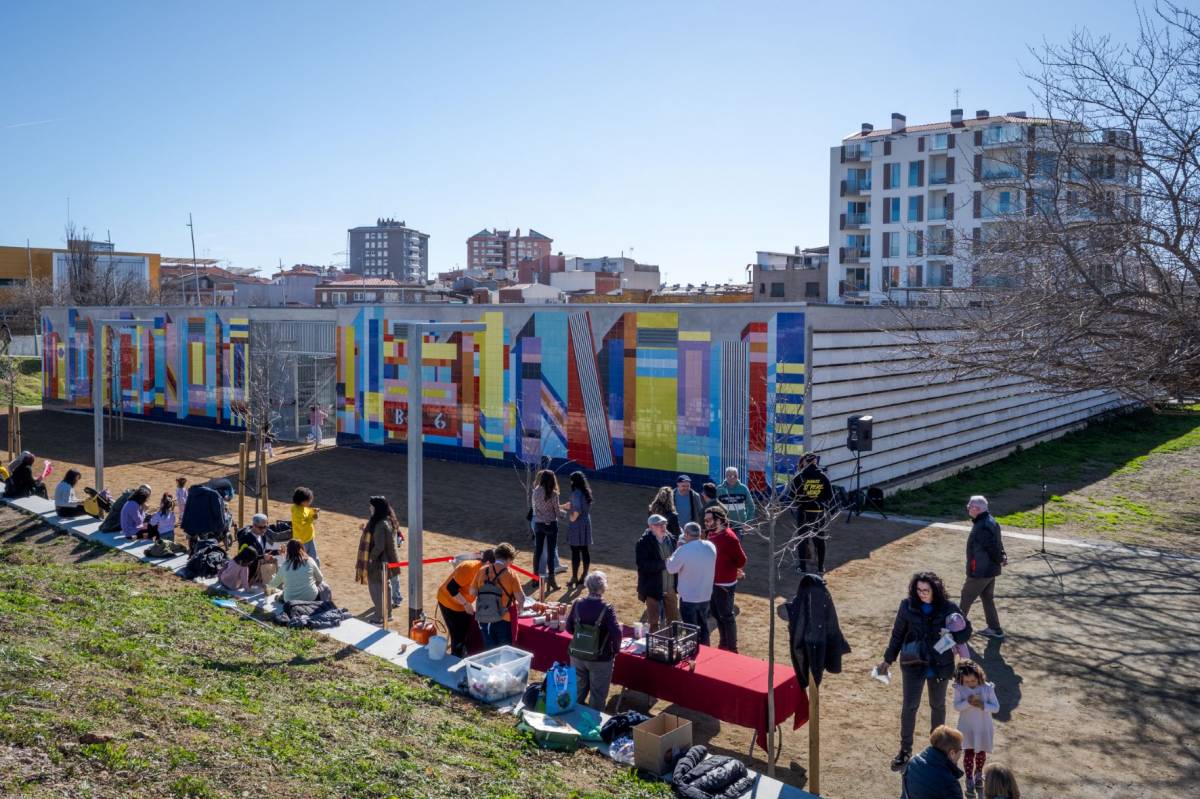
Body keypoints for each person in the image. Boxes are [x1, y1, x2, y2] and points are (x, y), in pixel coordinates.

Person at [876, 571, 973, 772]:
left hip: (939, 665)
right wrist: (888, 659)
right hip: (913, 664)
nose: (922, 594)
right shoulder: (907, 605)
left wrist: (952, 636)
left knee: (937, 706)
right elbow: (897, 634)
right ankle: (905, 750)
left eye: (926, 590)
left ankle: (937, 751)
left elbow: (967, 631)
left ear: (935, 590)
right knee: (910, 706)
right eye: (919, 590)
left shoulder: (948, 607)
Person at [566, 570, 622, 711]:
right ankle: (590, 728)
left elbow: (569, 627)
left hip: (577, 655)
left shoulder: (577, 603)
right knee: (597, 696)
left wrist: (582, 636)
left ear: (587, 585)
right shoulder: (607, 608)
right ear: (603, 587)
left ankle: (570, 722)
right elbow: (617, 632)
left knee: (577, 691)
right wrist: (615, 650)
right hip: (600, 658)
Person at [960, 496, 1007, 640]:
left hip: (980, 571)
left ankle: (955, 631)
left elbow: (992, 546)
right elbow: (998, 543)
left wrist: (1000, 558)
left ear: (977, 509)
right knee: (987, 598)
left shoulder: (982, 526)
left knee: (965, 598)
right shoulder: (991, 521)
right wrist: (1003, 555)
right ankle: (995, 629)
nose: (968, 508)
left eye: (970, 506)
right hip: (990, 570)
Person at [666, 521, 717, 645]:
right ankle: (706, 650)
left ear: (687, 534)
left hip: (689, 597)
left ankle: (692, 654)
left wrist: (676, 550)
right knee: (703, 626)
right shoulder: (711, 546)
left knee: (690, 631)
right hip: (705, 595)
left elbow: (671, 568)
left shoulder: (683, 550)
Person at [953, 660, 1000, 793]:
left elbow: (996, 708)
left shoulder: (987, 688)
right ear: (961, 679)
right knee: (968, 752)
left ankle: (978, 773)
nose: (970, 684)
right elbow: (957, 706)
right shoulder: (960, 688)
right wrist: (968, 702)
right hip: (967, 728)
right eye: (967, 682)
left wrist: (983, 706)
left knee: (980, 752)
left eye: (973, 681)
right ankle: (969, 778)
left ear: (979, 676)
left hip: (983, 726)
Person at [436, 550, 494, 657]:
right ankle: (455, 659)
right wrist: (466, 604)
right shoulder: (468, 568)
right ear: (488, 563)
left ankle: (461, 654)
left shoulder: (488, 572)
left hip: (462, 604)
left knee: (466, 631)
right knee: (458, 635)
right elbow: (451, 588)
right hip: (448, 601)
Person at [706, 505, 747, 652]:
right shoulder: (711, 534)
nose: (707, 523)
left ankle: (732, 648)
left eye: (710, 520)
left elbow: (741, 560)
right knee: (717, 614)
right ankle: (724, 644)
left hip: (724, 584)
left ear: (719, 520)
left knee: (727, 616)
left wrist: (732, 569)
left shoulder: (729, 538)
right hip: (713, 582)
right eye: (706, 520)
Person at [357, 496, 401, 625]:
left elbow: (379, 546)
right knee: (386, 587)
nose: (370, 508)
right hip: (387, 561)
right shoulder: (388, 520)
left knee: (376, 588)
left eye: (371, 506)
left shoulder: (380, 524)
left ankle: (379, 617)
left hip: (378, 563)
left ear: (376, 508)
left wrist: (371, 558)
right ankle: (388, 614)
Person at [472, 542, 524, 649]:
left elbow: (472, 592)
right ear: (509, 559)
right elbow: (521, 598)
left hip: (484, 616)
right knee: (504, 652)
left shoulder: (483, 570)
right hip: (503, 619)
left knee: (489, 650)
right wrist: (521, 608)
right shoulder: (511, 574)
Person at [635, 514, 678, 633]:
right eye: (659, 525)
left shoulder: (672, 539)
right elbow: (643, 565)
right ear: (651, 527)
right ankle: (654, 646)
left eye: (664, 524)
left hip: (670, 588)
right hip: (652, 588)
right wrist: (664, 564)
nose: (663, 527)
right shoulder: (643, 543)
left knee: (674, 620)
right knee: (653, 622)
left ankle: (674, 643)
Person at [791, 452, 834, 574]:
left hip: (803, 513)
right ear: (815, 462)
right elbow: (829, 496)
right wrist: (817, 499)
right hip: (819, 512)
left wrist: (805, 499)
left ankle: (802, 567)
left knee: (802, 540)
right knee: (820, 540)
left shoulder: (799, 477)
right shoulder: (823, 476)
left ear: (804, 462)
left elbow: (792, 496)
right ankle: (820, 568)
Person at [901, 725, 966, 799]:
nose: (962, 752)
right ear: (952, 753)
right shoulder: (949, 783)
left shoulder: (913, 762)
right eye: (961, 749)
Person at [531, 469, 562, 592]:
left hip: (539, 524)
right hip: (551, 525)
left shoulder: (536, 492)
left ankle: (535, 578)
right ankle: (551, 580)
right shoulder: (553, 494)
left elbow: (536, 508)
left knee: (538, 551)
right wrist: (564, 513)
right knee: (550, 552)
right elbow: (558, 513)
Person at [562, 471, 593, 588]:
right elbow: (576, 504)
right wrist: (563, 506)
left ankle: (574, 577)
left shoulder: (575, 493)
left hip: (577, 525)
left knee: (575, 551)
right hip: (585, 523)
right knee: (585, 550)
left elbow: (576, 511)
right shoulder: (586, 492)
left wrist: (571, 517)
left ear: (574, 481)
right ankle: (584, 575)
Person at [235, 513, 278, 586]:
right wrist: (263, 557)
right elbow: (244, 557)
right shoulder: (246, 538)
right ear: (254, 525)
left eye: (265, 527)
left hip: (260, 571)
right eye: (261, 527)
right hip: (248, 575)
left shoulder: (263, 536)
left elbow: (262, 552)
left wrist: (277, 552)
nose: (264, 530)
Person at [715, 467, 754, 535]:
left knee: (736, 544)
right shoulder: (719, 489)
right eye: (729, 476)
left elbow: (751, 506)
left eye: (734, 476)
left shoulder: (743, 488)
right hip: (724, 525)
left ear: (737, 476)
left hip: (739, 525)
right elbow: (715, 507)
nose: (732, 478)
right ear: (726, 476)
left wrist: (747, 522)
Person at [291, 486, 320, 565]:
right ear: (301, 501)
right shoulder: (296, 512)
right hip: (302, 541)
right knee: (303, 561)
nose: (310, 502)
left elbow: (308, 513)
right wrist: (312, 518)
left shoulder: (303, 507)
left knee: (315, 559)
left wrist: (313, 512)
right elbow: (302, 526)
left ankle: (315, 575)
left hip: (309, 537)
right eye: (308, 500)